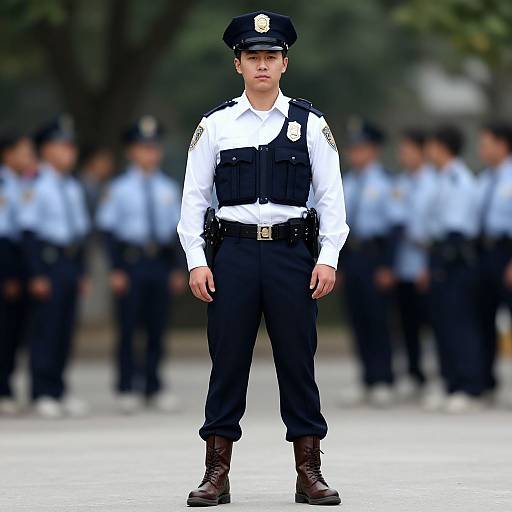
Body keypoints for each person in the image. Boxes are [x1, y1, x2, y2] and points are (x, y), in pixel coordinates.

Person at [178, 11, 347, 507]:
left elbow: (332, 197)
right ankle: (216, 472)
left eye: (270, 57)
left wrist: (329, 256)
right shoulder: (216, 124)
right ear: (238, 65)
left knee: (298, 361)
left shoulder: (309, 124)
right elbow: (193, 197)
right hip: (231, 253)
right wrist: (195, 259)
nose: (262, 66)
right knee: (227, 361)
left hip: (293, 254)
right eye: (253, 57)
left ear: (285, 63)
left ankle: (309, 472)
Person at [96, 116, 186, 415]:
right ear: (131, 152)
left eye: (154, 148)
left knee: (157, 327)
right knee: (128, 326)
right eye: (143, 148)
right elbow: (108, 231)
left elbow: (178, 231)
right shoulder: (119, 188)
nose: (150, 153)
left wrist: (177, 268)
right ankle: (126, 386)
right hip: (131, 262)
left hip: (158, 261)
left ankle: (153, 385)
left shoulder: (168, 188)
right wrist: (116, 269)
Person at [17, 114, 91, 419]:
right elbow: (28, 232)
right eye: (62, 146)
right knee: (45, 329)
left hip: (69, 261)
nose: (68, 153)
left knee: (64, 327)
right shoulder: (35, 182)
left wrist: (82, 270)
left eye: (71, 147)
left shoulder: (71, 185)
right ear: (45, 149)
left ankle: (59, 388)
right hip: (47, 261)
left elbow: (80, 231)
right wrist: (36, 274)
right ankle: (41, 391)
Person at [338, 118, 397, 408]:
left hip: (376, 256)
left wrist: (388, 265)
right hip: (352, 255)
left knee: (378, 319)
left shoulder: (386, 182)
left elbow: (396, 226)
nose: (355, 154)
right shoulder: (346, 182)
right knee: (357, 317)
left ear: (373, 150)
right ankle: (366, 378)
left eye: (361, 148)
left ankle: (384, 378)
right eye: (352, 149)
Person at [425, 125, 484, 413]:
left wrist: (443, 262)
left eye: (432, 145)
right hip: (439, 254)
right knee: (443, 323)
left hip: (456, 257)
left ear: (441, 147)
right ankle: (450, 381)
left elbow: (456, 228)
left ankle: (468, 385)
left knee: (460, 324)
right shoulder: (442, 178)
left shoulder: (460, 180)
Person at [392, 129, 438, 400]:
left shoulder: (434, 183)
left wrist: (428, 266)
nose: (403, 156)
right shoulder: (400, 183)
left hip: (426, 265)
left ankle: (438, 376)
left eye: (408, 150)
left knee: (432, 324)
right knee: (406, 324)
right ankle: (413, 373)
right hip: (402, 265)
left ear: (422, 152)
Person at [0, 132, 37, 415]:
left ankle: (8, 384)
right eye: (24, 151)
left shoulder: (24, 184)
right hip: (6, 261)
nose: (30, 157)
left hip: (21, 259)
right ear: (8, 154)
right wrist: (8, 276)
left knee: (16, 330)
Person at [476, 122, 512, 403]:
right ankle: (486, 382)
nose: (481, 150)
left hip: (506, 252)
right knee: (483, 319)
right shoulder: (485, 179)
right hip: (484, 253)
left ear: (502, 144)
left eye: (486, 144)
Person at [78, 145, 114, 219]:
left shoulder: (105, 185)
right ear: (90, 161)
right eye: (104, 160)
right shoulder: (76, 185)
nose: (109, 165)